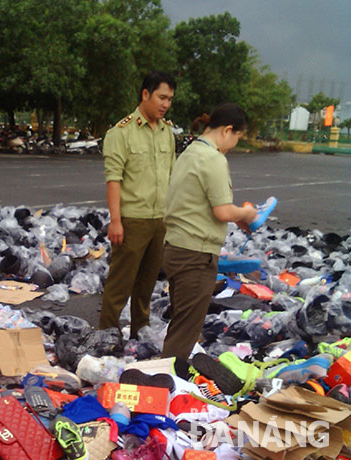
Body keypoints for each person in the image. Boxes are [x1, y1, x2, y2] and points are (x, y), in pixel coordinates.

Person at [161, 103, 257, 360]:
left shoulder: (192, 151)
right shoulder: (213, 158)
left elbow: (200, 202)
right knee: (185, 330)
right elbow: (223, 211)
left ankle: (167, 377)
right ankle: (170, 386)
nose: (235, 144)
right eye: (238, 137)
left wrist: (234, 217)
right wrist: (245, 214)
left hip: (175, 248)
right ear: (228, 130)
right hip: (195, 254)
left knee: (181, 321)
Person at [98, 71, 177, 339]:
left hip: (160, 220)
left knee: (146, 285)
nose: (165, 104)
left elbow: (171, 176)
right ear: (145, 94)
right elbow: (114, 179)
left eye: (169, 99)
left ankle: (139, 333)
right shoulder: (121, 132)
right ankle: (106, 335)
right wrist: (116, 220)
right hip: (132, 221)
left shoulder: (167, 132)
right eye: (161, 97)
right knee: (120, 284)